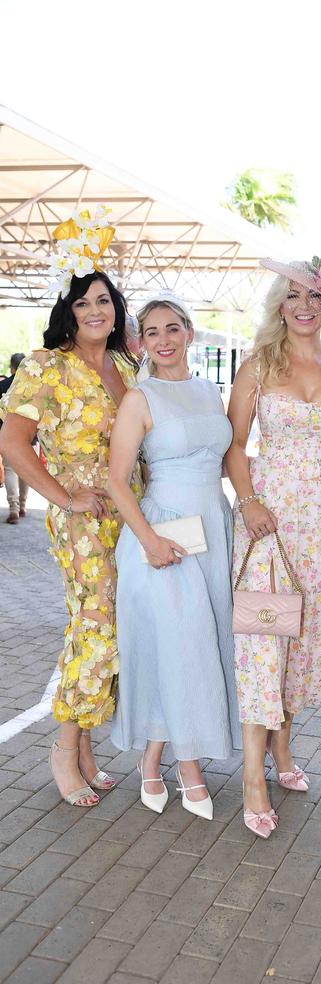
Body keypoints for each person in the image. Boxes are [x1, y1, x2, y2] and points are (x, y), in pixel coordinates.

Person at [0, 206, 141, 808]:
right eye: (83, 303)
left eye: (104, 301)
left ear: (116, 309)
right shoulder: (45, 368)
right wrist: (62, 497)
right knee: (97, 626)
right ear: (68, 310)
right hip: (82, 517)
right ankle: (64, 744)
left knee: (108, 626)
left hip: (129, 513)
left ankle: (83, 747)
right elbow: (11, 441)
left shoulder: (128, 366)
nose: (95, 312)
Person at [225, 255, 321, 837]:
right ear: (279, 303)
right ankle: (253, 779)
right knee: (265, 639)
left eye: (315, 298)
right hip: (268, 523)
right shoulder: (259, 363)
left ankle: (284, 755)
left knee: (302, 641)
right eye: (294, 297)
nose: (305, 308)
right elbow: (234, 445)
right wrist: (251, 499)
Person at [108, 293, 240, 821]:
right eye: (151, 332)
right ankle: (189, 766)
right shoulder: (140, 399)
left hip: (214, 525)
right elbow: (117, 482)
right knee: (182, 645)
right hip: (164, 533)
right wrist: (149, 541)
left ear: (189, 332)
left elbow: (224, 460)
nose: (163, 340)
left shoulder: (210, 391)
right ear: (142, 342)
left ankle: (153, 755)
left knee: (198, 644)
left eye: (172, 328)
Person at [0, 353, 29, 523]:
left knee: (11, 469)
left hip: (7, 433)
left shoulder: (3, 385)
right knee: (27, 469)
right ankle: (23, 506)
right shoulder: (31, 385)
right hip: (29, 435)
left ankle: (14, 508)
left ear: (11, 368)